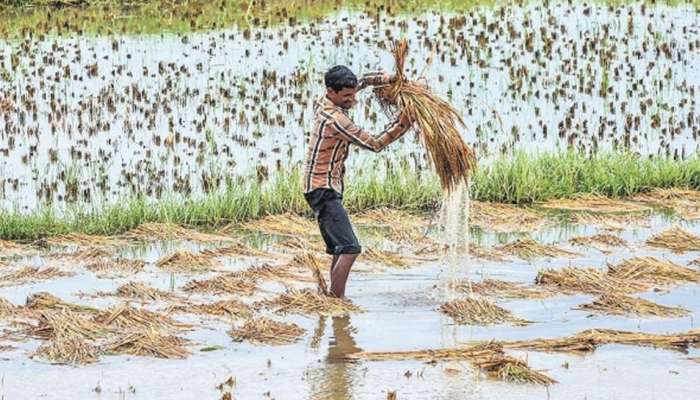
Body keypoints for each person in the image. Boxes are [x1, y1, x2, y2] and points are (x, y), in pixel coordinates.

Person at [302, 65, 412, 298]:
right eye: (347, 96)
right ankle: (337, 304)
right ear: (331, 92)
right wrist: (405, 121)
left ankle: (331, 297)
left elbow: (361, 81)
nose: (354, 99)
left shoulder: (326, 101)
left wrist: (390, 78)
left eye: (353, 94)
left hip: (320, 186)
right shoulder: (336, 120)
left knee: (339, 249)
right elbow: (374, 143)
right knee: (351, 249)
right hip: (323, 189)